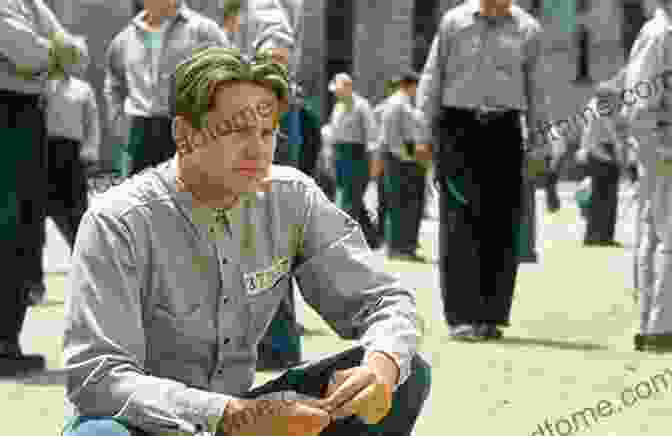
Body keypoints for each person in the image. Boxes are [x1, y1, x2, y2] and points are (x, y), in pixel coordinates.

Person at [61, 46, 430, 436]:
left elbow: (384, 300)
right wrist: (230, 415)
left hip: (246, 417)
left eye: (267, 132)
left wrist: (380, 367)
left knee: (403, 372)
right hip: (150, 423)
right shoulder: (117, 221)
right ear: (184, 134)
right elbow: (96, 377)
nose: (257, 149)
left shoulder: (292, 198)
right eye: (237, 131)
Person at [415, 0, 548, 341]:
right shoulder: (453, 23)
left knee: (501, 223)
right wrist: (423, 133)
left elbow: (537, 90)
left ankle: (490, 315)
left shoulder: (528, 30)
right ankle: (461, 315)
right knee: (458, 219)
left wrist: (540, 143)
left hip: (504, 131)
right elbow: (432, 77)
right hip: (457, 128)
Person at [0, 0, 88, 375]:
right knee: (7, 223)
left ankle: (7, 339)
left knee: (25, 227)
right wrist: (53, 53)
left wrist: (50, 54)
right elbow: (25, 51)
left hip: (29, 114)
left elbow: (78, 55)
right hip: (6, 112)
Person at [103, 0, 230, 178]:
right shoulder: (124, 39)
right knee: (139, 199)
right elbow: (114, 84)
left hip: (189, 126)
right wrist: (118, 123)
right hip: (140, 132)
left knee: (189, 195)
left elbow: (227, 75)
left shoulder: (204, 31)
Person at [25, 39, 101, 306]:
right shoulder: (38, 86)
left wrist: (90, 152)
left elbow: (92, 123)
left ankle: (89, 278)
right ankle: (33, 283)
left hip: (70, 156)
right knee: (32, 223)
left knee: (77, 218)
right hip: (40, 153)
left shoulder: (83, 89)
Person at [622, 0, 672, 352]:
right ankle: (659, 327)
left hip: (661, 146)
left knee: (658, 235)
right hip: (664, 149)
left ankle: (656, 325)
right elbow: (640, 103)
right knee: (664, 236)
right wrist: (658, 149)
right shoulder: (662, 35)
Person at [375, 70, 429, 262]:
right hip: (401, 159)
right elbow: (392, 135)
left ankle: (404, 246)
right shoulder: (397, 103)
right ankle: (400, 247)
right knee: (402, 204)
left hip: (405, 157)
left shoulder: (403, 103)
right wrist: (408, 156)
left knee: (407, 204)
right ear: (411, 85)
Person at [576, 71, 633, 247]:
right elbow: (612, 134)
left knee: (601, 198)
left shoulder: (593, 105)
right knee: (605, 199)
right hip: (602, 153)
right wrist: (619, 158)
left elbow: (588, 133)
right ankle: (601, 237)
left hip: (596, 153)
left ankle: (597, 236)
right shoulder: (602, 107)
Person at [325, 72, 381, 249]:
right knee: (353, 199)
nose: (336, 94)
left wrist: (373, 163)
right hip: (340, 156)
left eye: (339, 90)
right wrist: (331, 158)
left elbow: (372, 138)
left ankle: (342, 240)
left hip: (357, 157)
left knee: (350, 199)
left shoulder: (362, 106)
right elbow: (333, 135)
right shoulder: (338, 107)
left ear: (348, 87)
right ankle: (371, 238)